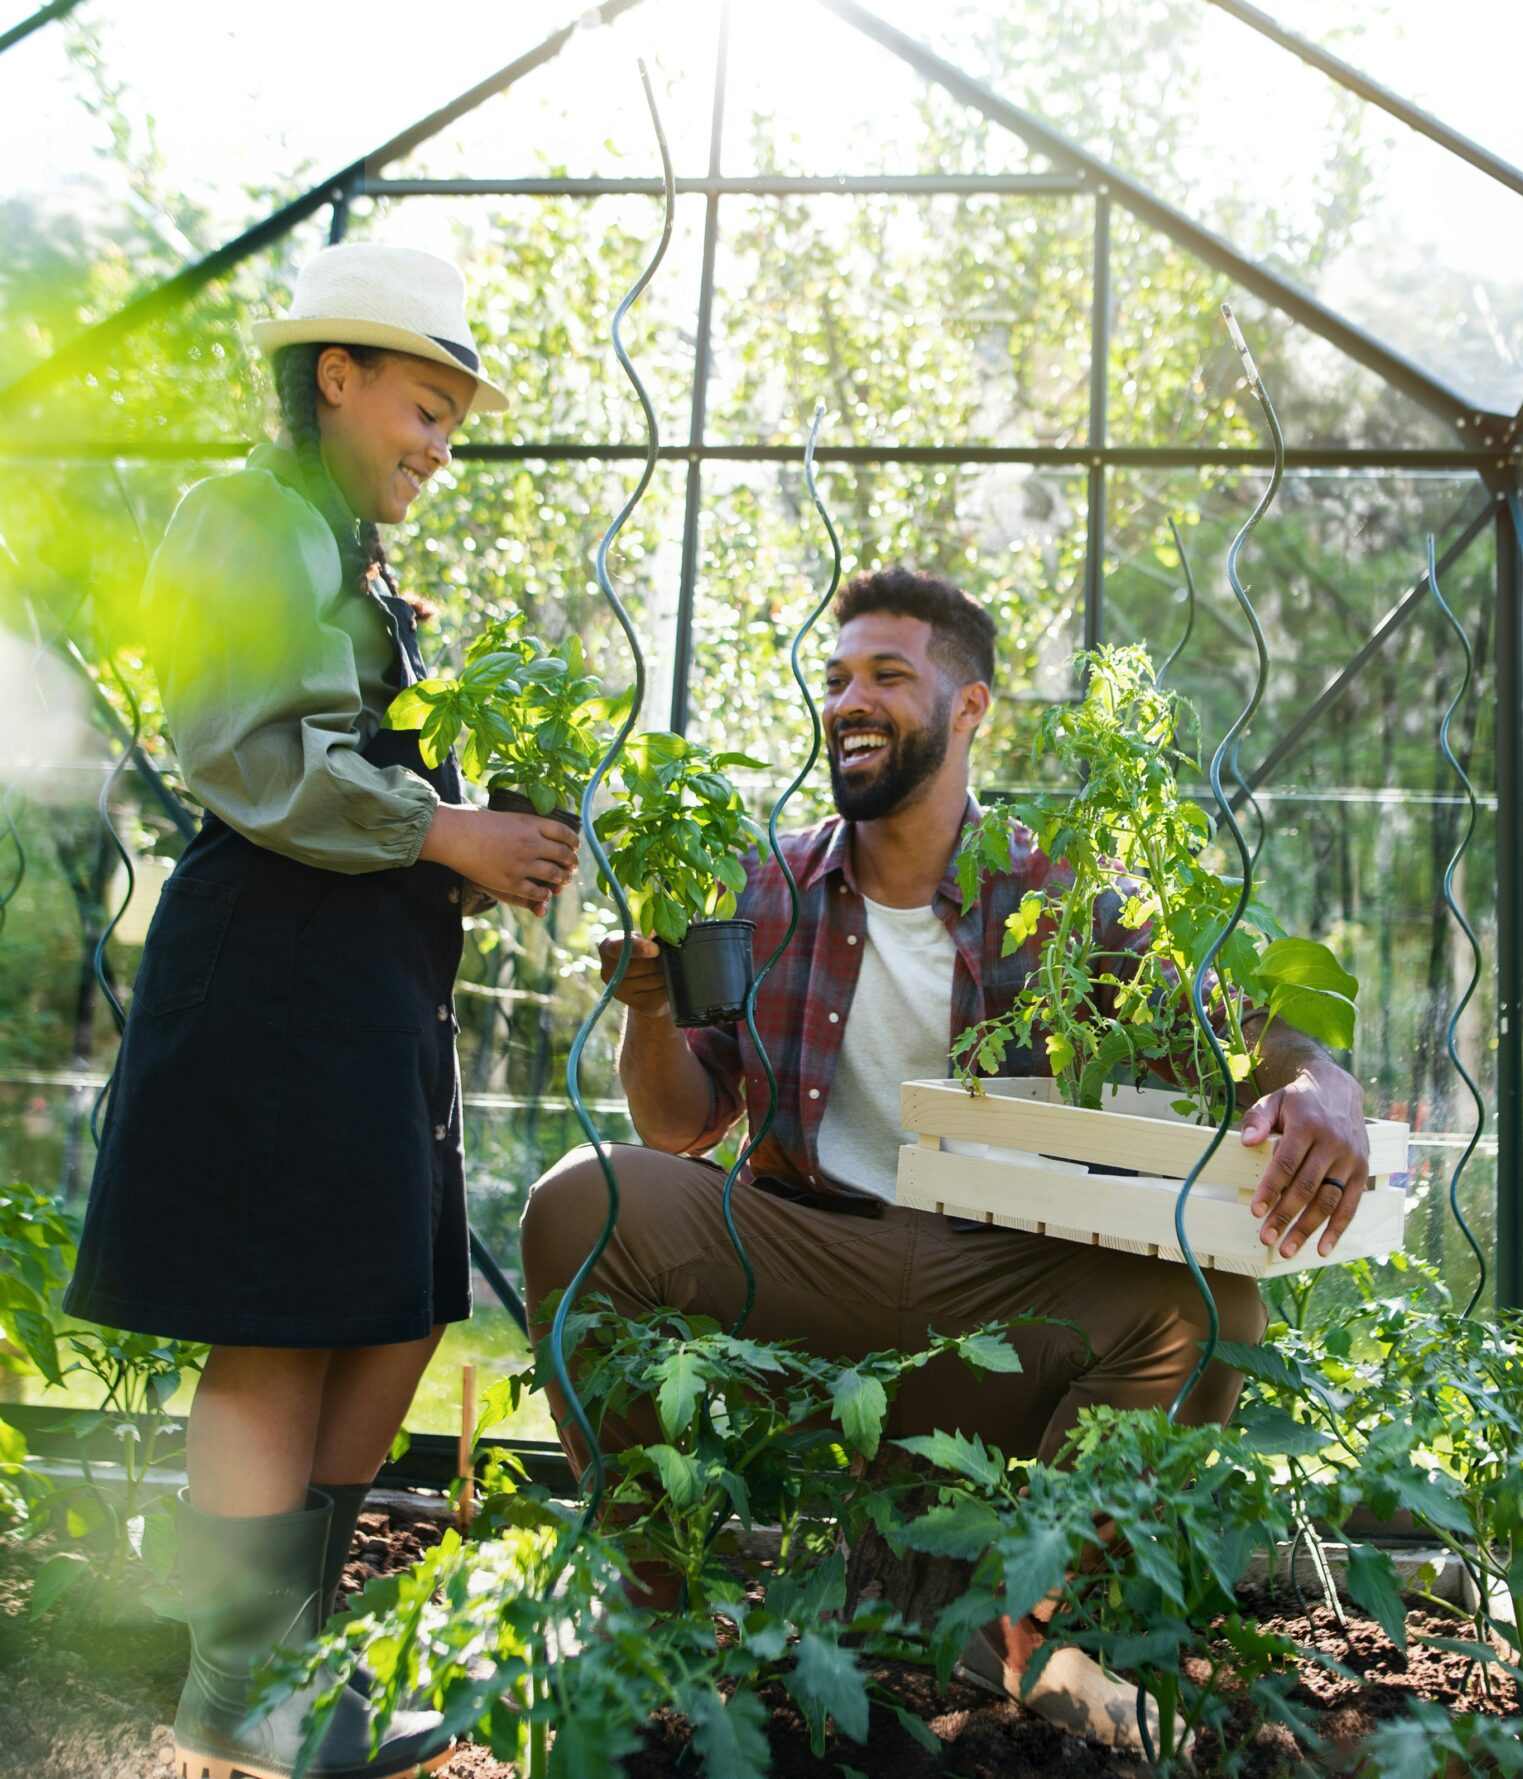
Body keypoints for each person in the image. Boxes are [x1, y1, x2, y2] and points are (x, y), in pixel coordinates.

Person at [520, 566, 1371, 1747]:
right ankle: (658, 1618)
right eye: (835, 678)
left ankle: (1032, 1635)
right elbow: (678, 1127)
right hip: (801, 1263)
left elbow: (1221, 1026)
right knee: (585, 1201)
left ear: (969, 710)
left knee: (1212, 1303)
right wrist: (649, 1006)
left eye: (886, 676)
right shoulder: (770, 886)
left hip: (996, 1286)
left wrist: (1327, 1083)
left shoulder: (1056, 891)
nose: (848, 700)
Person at [65, 242, 580, 1779]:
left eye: (454, 421)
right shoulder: (247, 514)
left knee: (397, 1305)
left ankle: (287, 1663)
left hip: (363, 973)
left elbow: (346, 749)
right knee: (281, 1327)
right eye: (423, 407)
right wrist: (447, 835)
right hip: (278, 962)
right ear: (333, 374)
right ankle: (238, 1685)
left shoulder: (348, 553)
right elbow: (243, 748)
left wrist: (482, 829)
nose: (438, 446)